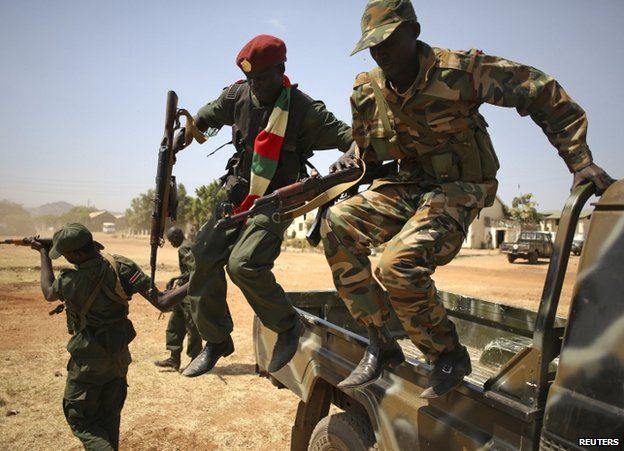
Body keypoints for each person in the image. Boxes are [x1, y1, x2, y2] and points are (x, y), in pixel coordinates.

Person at [321, 0, 615, 398]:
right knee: (336, 223)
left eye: (389, 39)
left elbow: (539, 90)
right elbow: (368, 153)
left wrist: (579, 160)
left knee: (398, 264)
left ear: (414, 31)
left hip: (462, 186)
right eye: (373, 45)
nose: (381, 51)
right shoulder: (366, 91)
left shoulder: (459, 71)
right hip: (410, 185)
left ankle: (447, 354)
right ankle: (380, 338)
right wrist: (350, 160)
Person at [176, 34, 353, 377]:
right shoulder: (238, 95)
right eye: (250, 79)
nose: (255, 85)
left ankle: (287, 326)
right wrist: (177, 141)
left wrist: (346, 158)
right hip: (236, 194)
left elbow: (352, 139)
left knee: (243, 264)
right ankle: (216, 341)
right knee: (203, 256)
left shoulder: (304, 110)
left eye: (262, 78)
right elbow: (203, 119)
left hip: (277, 199)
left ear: (281, 70)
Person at [31, 223, 184, 450]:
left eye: (66, 254)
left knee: (80, 419)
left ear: (77, 254)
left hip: (88, 362)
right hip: (118, 357)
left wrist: (44, 254)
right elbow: (162, 301)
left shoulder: (70, 281)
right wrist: (200, 280)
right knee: (109, 417)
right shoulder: (121, 266)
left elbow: (48, 291)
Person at [154, 227, 202, 371]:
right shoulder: (187, 246)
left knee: (192, 327)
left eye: (170, 240)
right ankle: (174, 359)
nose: (170, 243)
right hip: (182, 292)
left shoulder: (184, 248)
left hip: (188, 293)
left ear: (176, 236)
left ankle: (195, 360)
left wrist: (175, 278)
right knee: (176, 323)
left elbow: (195, 270)